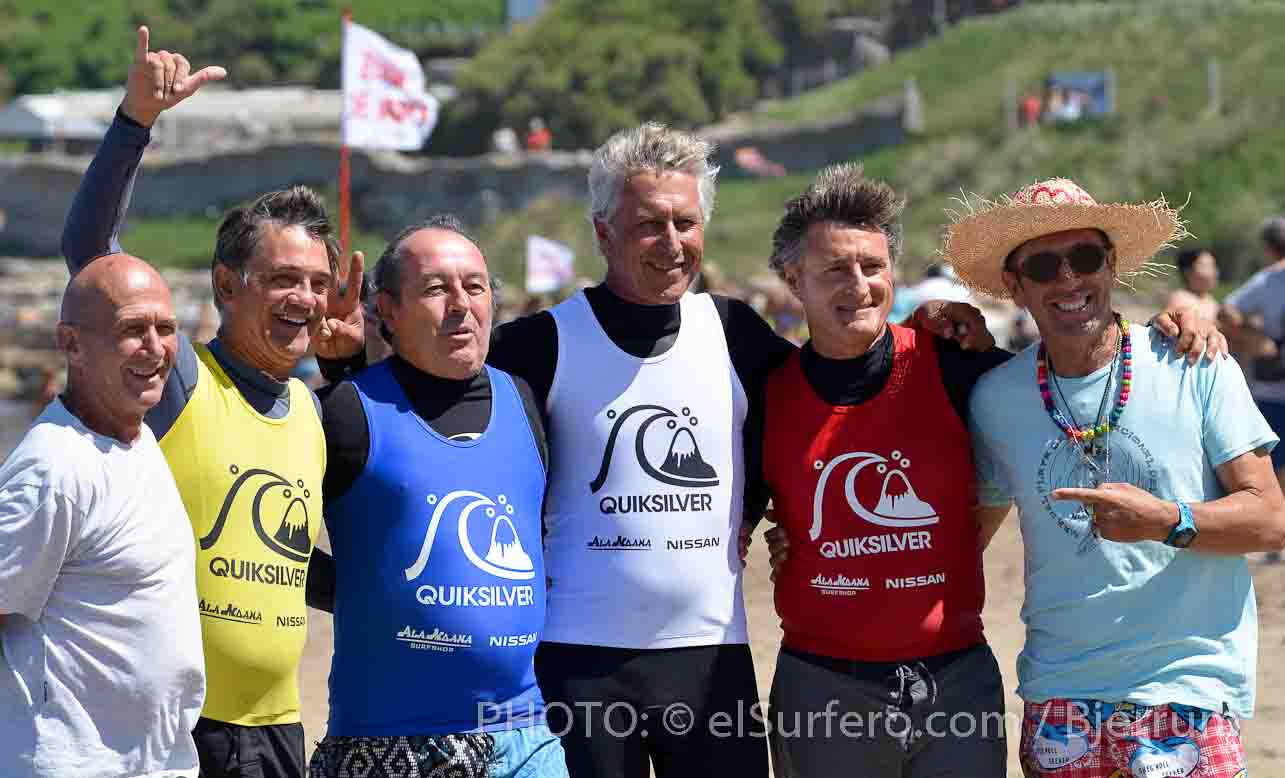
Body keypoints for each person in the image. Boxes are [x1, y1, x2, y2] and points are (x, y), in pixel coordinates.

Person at [320, 122, 1007, 778]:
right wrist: (348, 367)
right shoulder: (543, 342)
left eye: (685, 222)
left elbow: (825, 397)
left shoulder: (735, 331)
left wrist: (928, 334)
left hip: (709, 658)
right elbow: (430, 402)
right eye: (649, 223)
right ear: (602, 232)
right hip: (578, 664)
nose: (670, 241)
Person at [59, 28, 362, 778]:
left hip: (284, 727)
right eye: (283, 279)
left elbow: (290, 564)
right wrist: (135, 123)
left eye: (317, 283)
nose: (305, 298)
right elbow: (92, 254)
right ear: (229, 286)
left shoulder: (311, 414)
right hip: (177, 733)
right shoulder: (183, 382)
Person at [945, 178, 1284, 778]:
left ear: (1112, 265)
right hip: (1059, 694)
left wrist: (1168, 520)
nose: (1069, 280)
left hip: (1186, 689)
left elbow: (1271, 520)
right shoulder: (997, 398)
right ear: (1016, 287)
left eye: (1085, 258)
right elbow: (963, 537)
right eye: (1045, 265)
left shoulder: (1193, 361)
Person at [760, 164, 1011, 777]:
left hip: (955, 682)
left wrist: (1159, 330)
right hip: (823, 686)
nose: (859, 285)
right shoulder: (760, 397)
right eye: (835, 269)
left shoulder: (955, 365)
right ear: (794, 279)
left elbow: (1067, 388)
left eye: (872, 267)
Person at [308, 216, 567, 777]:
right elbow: (272, 545)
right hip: (391, 741)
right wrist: (362, 592)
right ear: (388, 312)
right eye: (434, 288)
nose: (459, 303)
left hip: (526, 737)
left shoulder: (525, 402)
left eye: (474, 286)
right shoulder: (344, 412)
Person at [0, 255, 205, 777]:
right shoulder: (52, 469)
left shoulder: (138, 440)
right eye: (132, 330)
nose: (156, 348)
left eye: (166, 328)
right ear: (70, 343)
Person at [1222, 216, 1285, 475]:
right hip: (1275, 392)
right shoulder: (1270, 280)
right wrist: (1254, 338)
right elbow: (1227, 311)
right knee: (1274, 469)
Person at [1167, 247, 1221, 322]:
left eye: (1213, 266)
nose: (1214, 272)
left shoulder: (1213, 303)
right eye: (1206, 266)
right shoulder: (1181, 299)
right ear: (1187, 271)